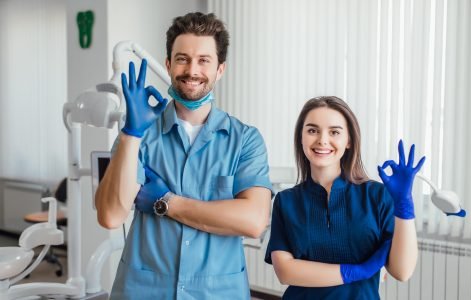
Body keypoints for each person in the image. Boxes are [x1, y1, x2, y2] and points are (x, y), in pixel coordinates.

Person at [95, 12, 273, 299]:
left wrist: (167, 203)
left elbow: (252, 221)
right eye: (182, 58)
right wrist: (131, 134)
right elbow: (110, 215)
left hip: (217, 292)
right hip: (145, 290)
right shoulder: (141, 134)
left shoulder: (245, 140)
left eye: (204, 60)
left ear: (220, 69)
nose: (192, 70)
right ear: (168, 64)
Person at [265, 96, 425, 299]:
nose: (322, 140)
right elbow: (285, 272)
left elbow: (402, 272)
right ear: (301, 137)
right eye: (312, 130)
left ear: (348, 140)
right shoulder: (286, 201)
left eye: (334, 132)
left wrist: (404, 205)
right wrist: (354, 272)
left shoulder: (377, 196)